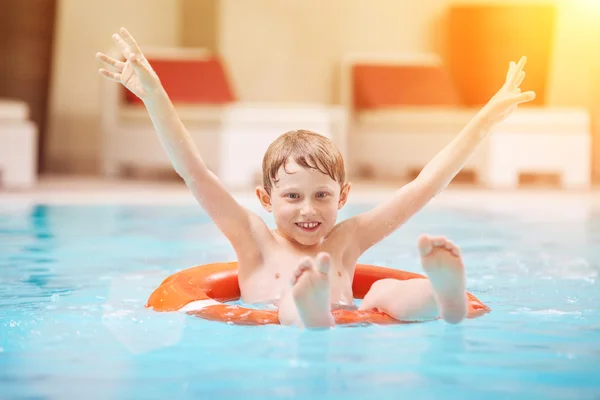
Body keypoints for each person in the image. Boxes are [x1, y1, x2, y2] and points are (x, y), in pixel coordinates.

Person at [96, 28, 535, 328]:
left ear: (343, 195)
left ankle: (443, 297)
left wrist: (483, 121)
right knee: (293, 297)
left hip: (337, 322)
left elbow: (423, 186)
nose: (308, 210)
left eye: (322, 195)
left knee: (385, 290)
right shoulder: (253, 238)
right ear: (265, 200)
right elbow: (193, 170)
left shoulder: (347, 239)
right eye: (292, 196)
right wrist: (154, 96)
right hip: (287, 319)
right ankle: (309, 305)